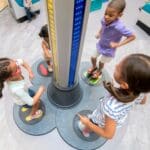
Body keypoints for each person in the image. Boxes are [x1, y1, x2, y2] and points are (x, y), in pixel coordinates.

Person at [78, 53, 150, 139]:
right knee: (94, 119)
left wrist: (87, 123)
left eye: (118, 68)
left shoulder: (111, 107)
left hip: (102, 120)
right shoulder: (139, 92)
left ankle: (86, 131)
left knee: (93, 123)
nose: (115, 65)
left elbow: (108, 135)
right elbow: (143, 102)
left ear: (124, 85)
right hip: (114, 117)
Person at [88, 0, 136, 79]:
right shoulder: (104, 20)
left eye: (110, 15)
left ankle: (99, 71)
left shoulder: (119, 27)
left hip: (109, 49)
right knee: (93, 57)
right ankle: (94, 67)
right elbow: (103, 26)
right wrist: (99, 33)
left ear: (119, 15)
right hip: (101, 44)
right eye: (105, 13)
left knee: (101, 62)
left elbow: (132, 36)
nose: (106, 17)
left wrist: (118, 44)